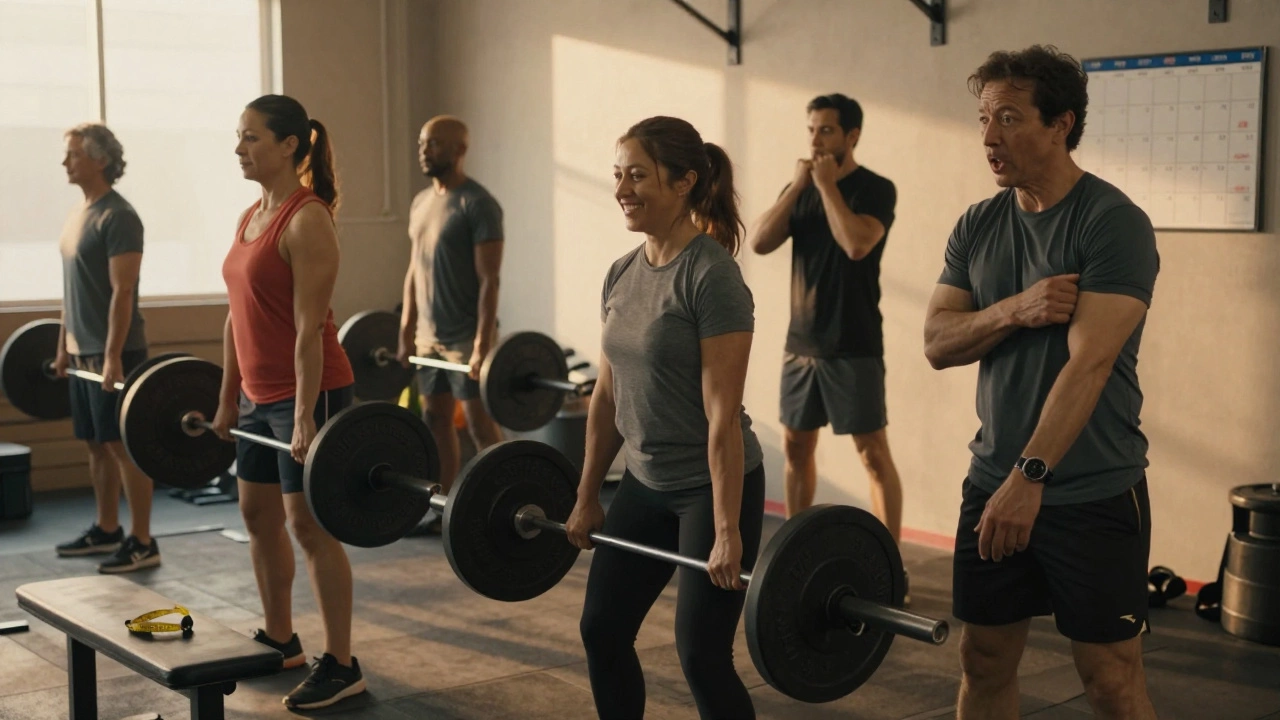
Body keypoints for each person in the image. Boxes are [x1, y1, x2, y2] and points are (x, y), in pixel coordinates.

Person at [924, 45, 1160, 719]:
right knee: (984, 660)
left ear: (1061, 124)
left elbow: (1089, 366)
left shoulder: (1112, 224)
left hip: (1089, 488)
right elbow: (937, 343)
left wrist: (1030, 478)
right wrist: (1016, 308)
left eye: (1008, 117)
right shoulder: (979, 224)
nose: (989, 137)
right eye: (982, 119)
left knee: (1110, 681)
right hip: (992, 480)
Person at [566, 116, 766, 720]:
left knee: (702, 655)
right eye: (618, 174)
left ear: (683, 183)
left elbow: (723, 416)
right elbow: (605, 395)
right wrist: (586, 494)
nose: (623, 188)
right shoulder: (622, 272)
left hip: (710, 488)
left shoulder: (711, 277)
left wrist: (727, 530)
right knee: (601, 629)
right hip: (644, 482)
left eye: (638, 175)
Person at [213, 94, 365, 711]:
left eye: (252, 138)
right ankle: (281, 640)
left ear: (290, 146)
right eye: (239, 136)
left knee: (310, 524)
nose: (240, 148)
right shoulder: (252, 214)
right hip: (256, 396)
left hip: (313, 390)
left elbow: (309, 330)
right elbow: (236, 319)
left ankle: (343, 662)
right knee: (256, 516)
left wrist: (303, 416)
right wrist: (228, 400)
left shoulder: (307, 220)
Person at [748, 94, 906, 555]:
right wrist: (799, 188)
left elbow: (857, 245)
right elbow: (758, 242)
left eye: (827, 131)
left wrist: (827, 188)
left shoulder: (876, 189)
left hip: (854, 343)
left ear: (852, 136)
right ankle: (794, 550)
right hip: (801, 344)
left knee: (872, 453)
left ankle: (890, 560)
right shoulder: (800, 187)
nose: (816, 140)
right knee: (796, 448)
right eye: (811, 130)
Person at [53, 122, 159, 574]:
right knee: (95, 444)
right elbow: (70, 291)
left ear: (99, 160)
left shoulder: (119, 216)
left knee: (123, 446)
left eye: (73, 154)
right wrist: (64, 347)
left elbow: (123, 292)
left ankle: (142, 540)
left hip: (117, 352)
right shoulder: (79, 214)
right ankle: (108, 527)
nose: (65, 162)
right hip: (82, 350)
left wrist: (113, 355)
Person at [397, 115, 504, 534]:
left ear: (460, 150)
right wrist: (406, 329)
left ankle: (501, 499)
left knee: (478, 425)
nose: (425, 150)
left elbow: (490, 280)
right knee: (435, 420)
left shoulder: (478, 204)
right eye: (423, 143)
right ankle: (442, 509)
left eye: (435, 144)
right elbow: (413, 269)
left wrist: (481, 344)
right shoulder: (421, 202)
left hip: (464, 338)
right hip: (428, 336)